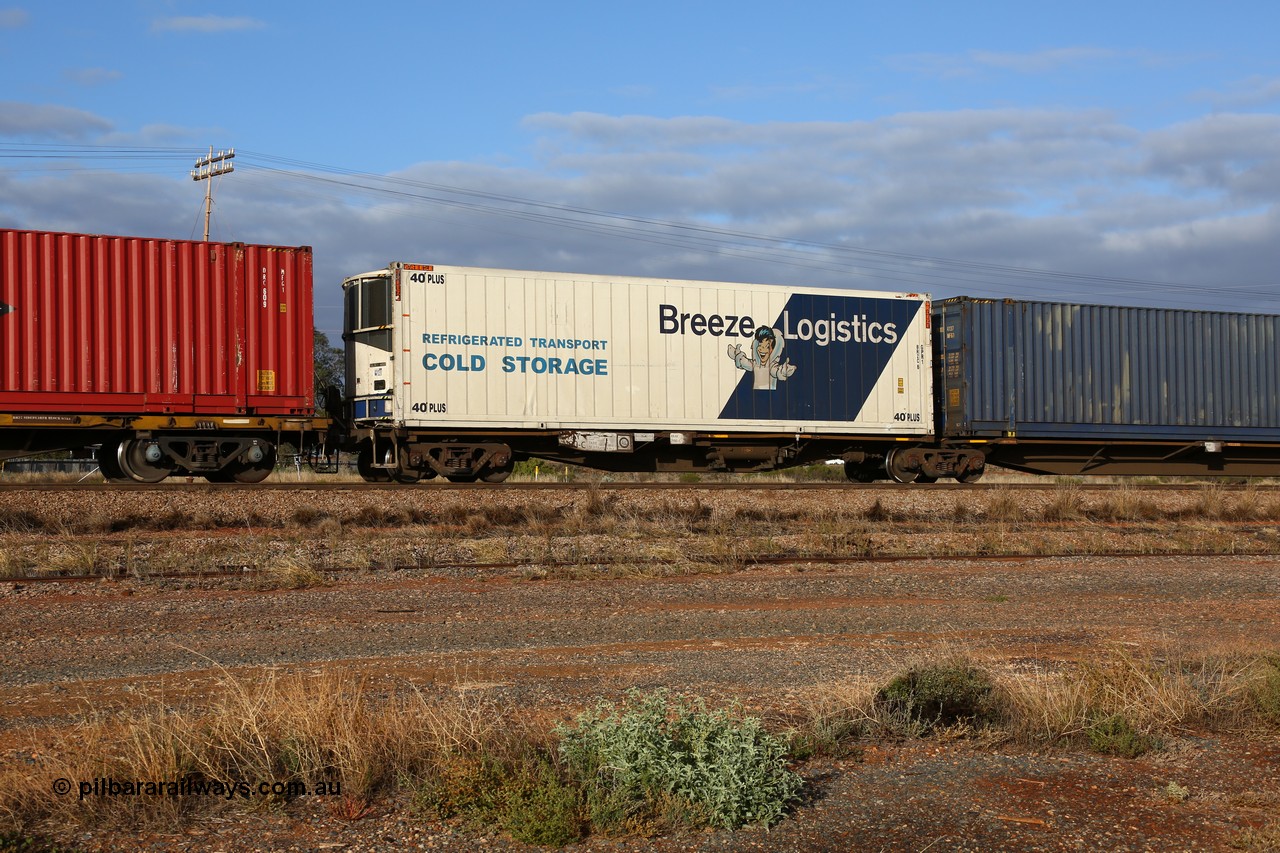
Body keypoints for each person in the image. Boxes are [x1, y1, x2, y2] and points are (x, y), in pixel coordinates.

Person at [727, 326, 796, 390]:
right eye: (760, 345)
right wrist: (737, 355)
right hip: (756, 395)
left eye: (767, 347)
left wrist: (782, 371)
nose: (762, 349)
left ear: (774, 350)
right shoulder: (756, 364)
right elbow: (745, 362)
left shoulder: (772, 366)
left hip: (770, 395)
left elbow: (776, 371)